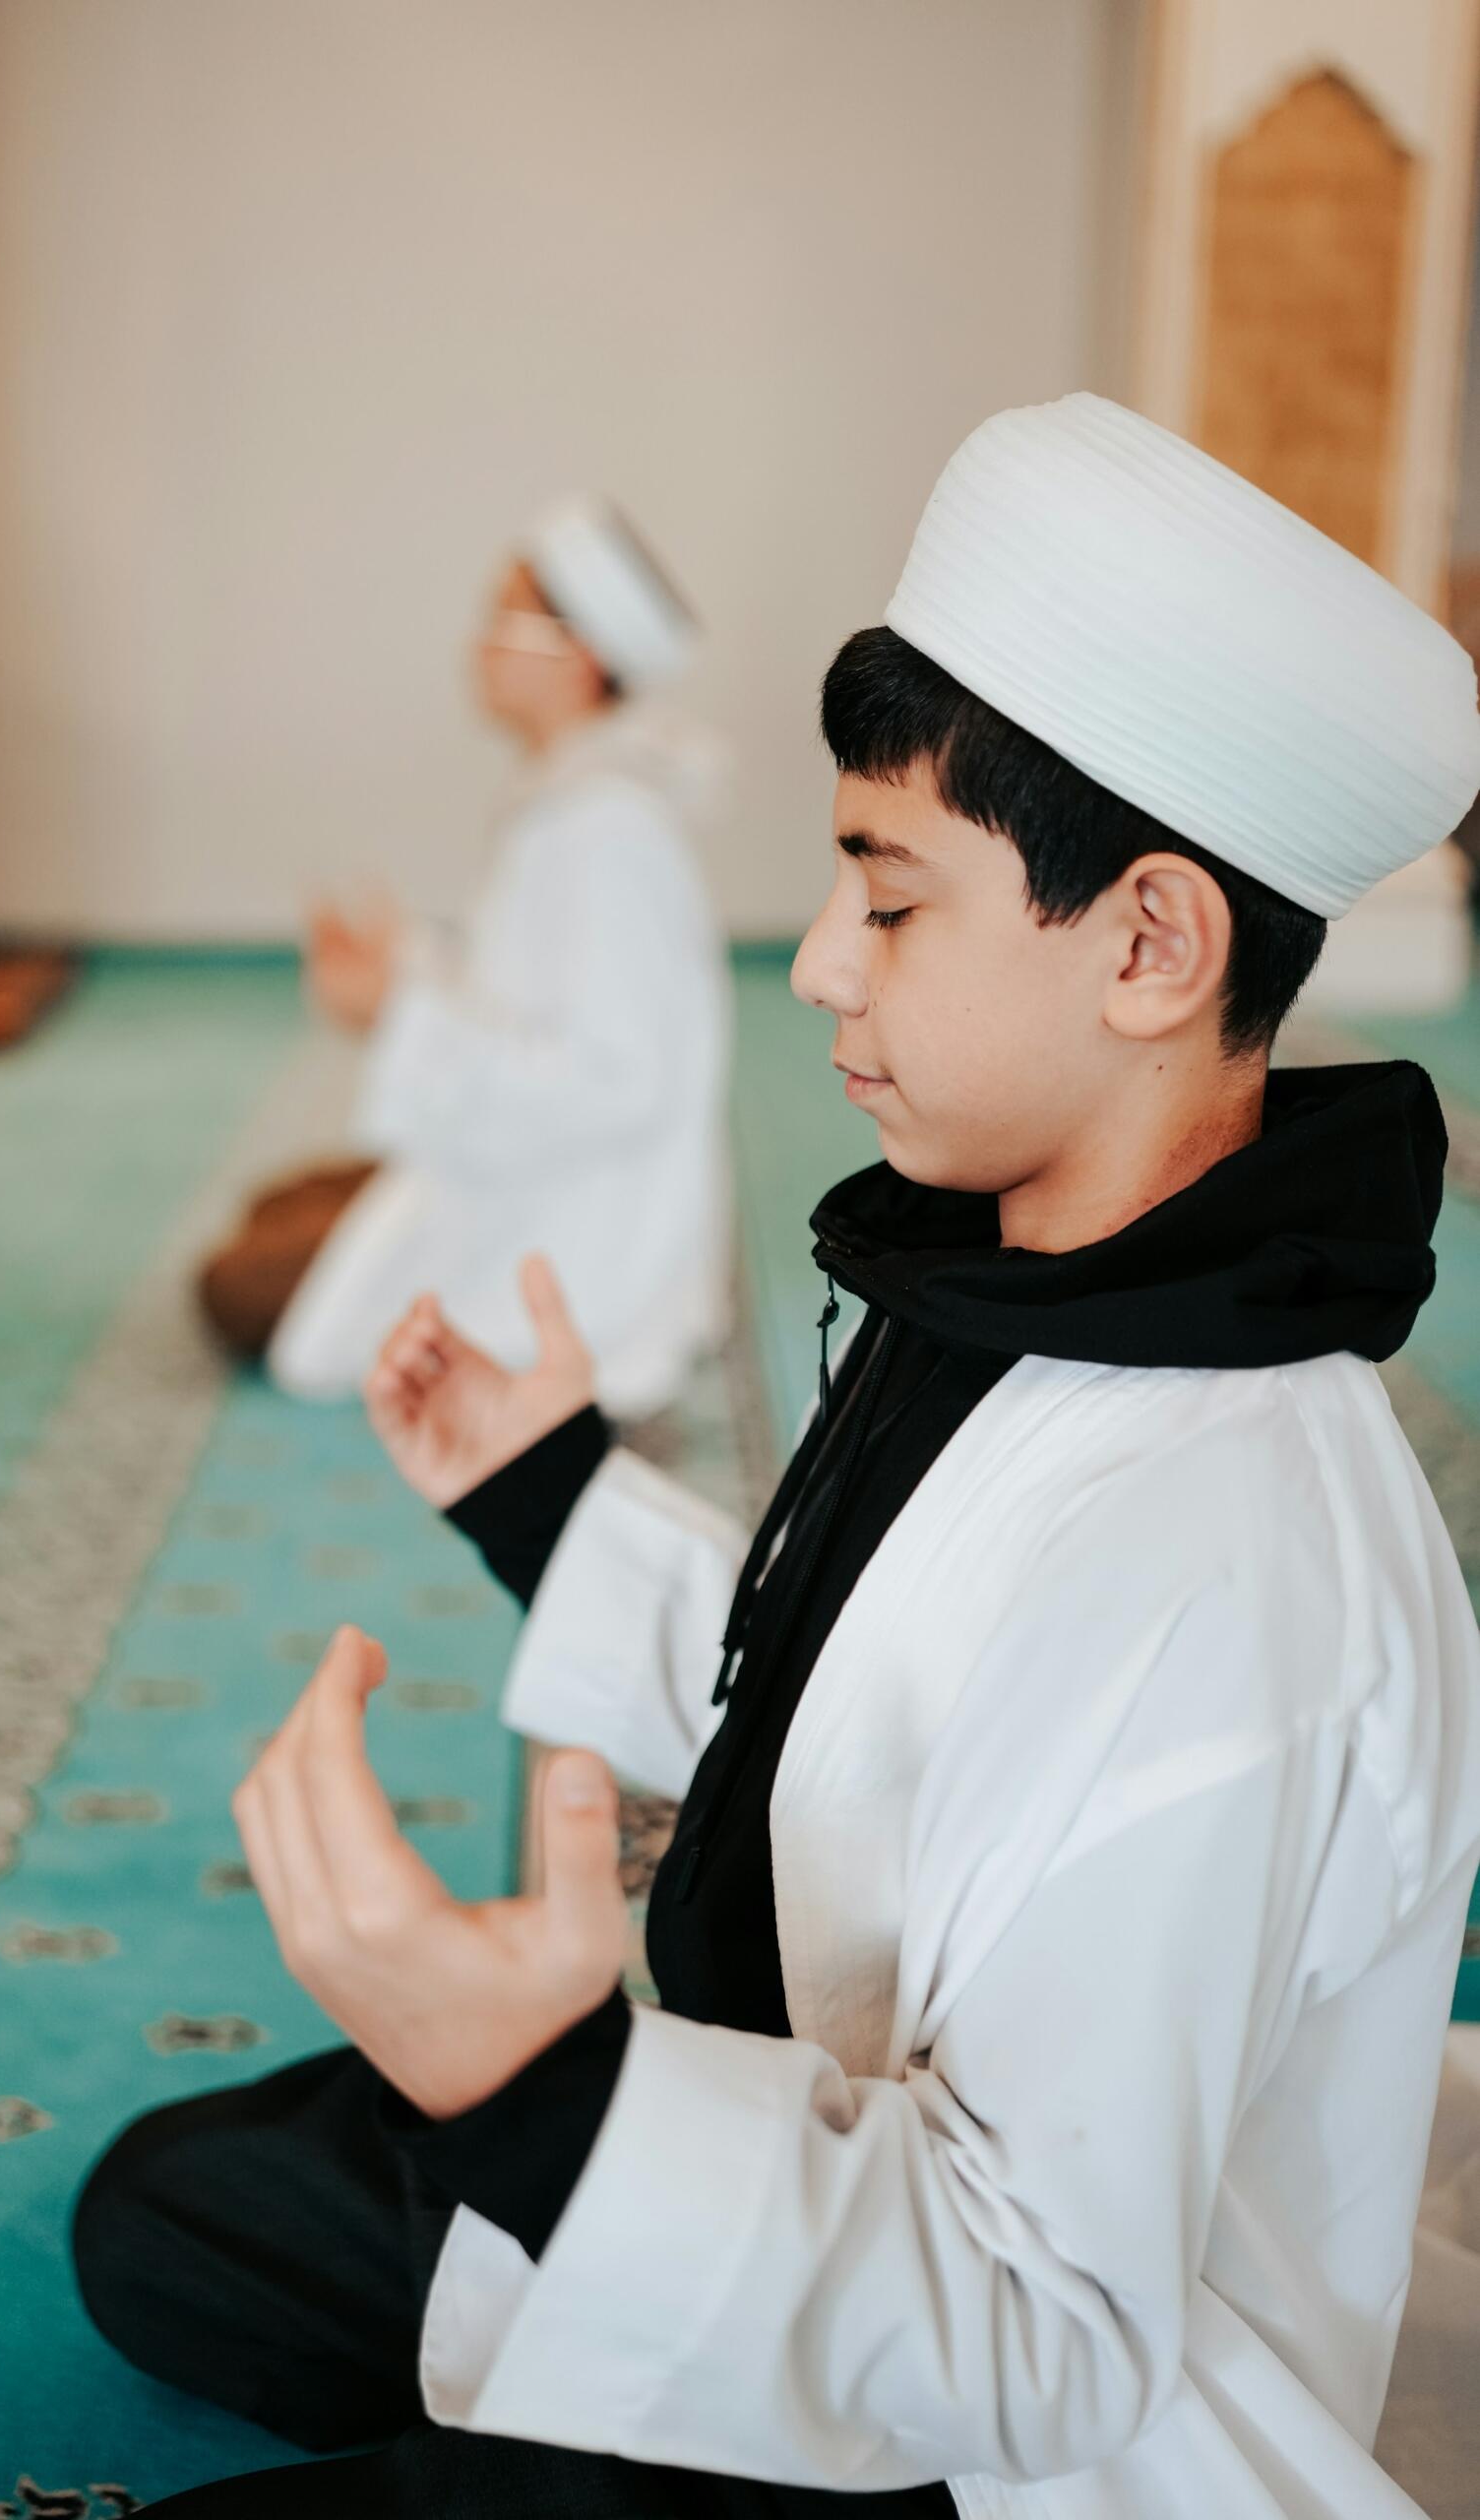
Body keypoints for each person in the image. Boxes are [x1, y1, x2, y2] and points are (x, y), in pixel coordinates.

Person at [77, 396, 1480, 2518]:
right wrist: (545, 1494)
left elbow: (1044, 2339)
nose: (819, 964)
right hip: (801, 2129)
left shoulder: (1234, 1556)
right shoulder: (1033, 1270)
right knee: (171, 2207)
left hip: (975, 2443)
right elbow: (875, 1703)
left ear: (1148, 941)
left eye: (888, 898)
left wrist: (546, 2108)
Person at [195, 495, 731, 1421]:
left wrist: (394, 1015)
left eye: (504, 620)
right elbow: (520, 996)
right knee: (274, 1205)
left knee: (232, 1290)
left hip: (574, 1223)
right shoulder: (572, 799)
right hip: (525, 1173)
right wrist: (405, 964)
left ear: (582, 656)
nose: (478, 644)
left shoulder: (607, 830)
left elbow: (613, 1082)